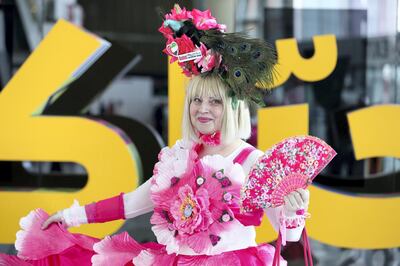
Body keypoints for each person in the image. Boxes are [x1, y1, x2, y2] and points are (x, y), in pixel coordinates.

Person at [0, 5, 311, 266]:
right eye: (196, 100)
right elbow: (131, 203)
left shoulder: (254, 161)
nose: (202, 110)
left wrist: (294, 210)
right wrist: (69, 217)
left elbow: (288, 234)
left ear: (233, 107)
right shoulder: (183, 155)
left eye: (214, 101)